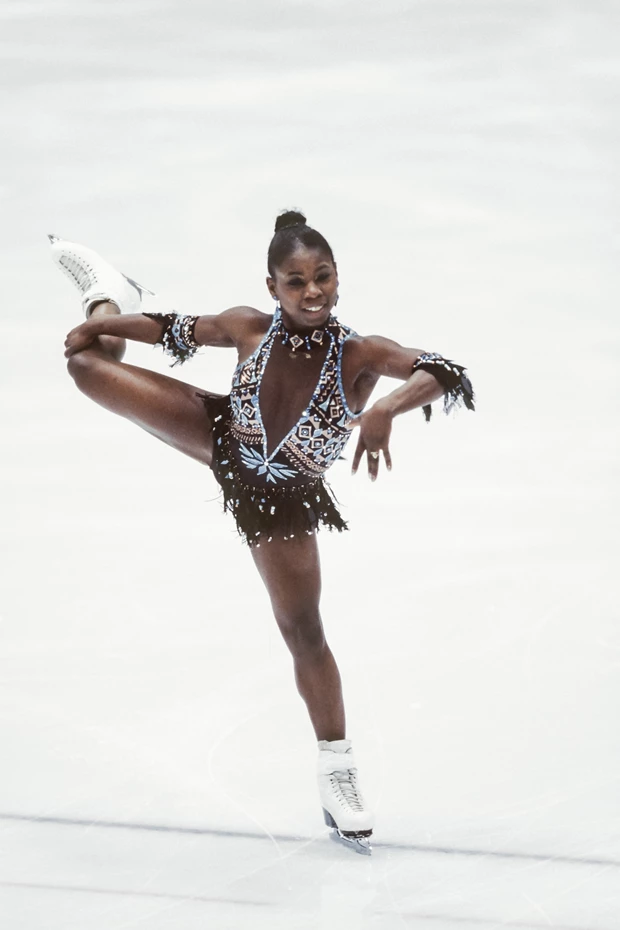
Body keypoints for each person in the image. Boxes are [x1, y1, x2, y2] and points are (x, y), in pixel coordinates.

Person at [52, 210, 474, 855]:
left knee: (302, 630)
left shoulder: (359, 354)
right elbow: (174, 328)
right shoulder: (248, 325)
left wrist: (386, 405)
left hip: (281, 502)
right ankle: (107, 290)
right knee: (86, 358)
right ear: (273, 285)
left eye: (323, 278)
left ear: (338, 279)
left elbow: (442, 368)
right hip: (217, 436)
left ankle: (339, 771)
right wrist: (106, 319)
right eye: (296, 281)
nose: (313, 293)